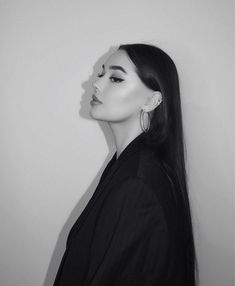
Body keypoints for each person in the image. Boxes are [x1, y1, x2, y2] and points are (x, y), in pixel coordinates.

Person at [53, 43, 199, 286]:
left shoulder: (137, 185)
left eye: (116, 78)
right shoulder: (129, 165)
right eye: (101, 73)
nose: (96, 84)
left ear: (152, 101)